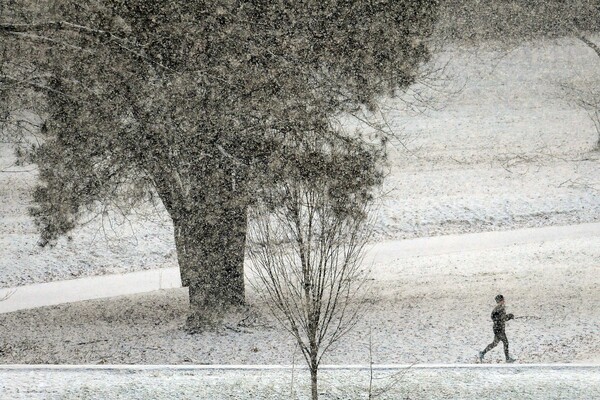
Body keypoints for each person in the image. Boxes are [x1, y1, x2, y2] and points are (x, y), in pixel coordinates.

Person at [479, 294, 515, 363]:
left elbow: (495, 318)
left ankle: (482, 353)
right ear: (500, 301)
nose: (504, 301)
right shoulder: (500, 308)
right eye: (502, 300)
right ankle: (507, 359)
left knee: (494, 343)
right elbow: (503, 318)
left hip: (497, 328)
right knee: (506, 342)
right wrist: (510, 316)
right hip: (499, 329)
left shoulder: (496, 309)